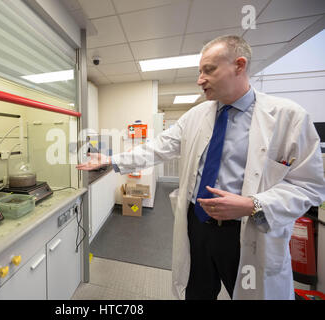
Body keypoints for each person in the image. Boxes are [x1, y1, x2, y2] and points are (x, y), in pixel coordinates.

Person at [76, 35, 325, 300]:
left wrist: (253, 204)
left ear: (239, 66)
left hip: (247, 229)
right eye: (199, 71)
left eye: (209, 70)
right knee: (198, 292)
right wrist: (112, 161)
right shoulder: (196, 116)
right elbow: (157, 148)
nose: (200, 79)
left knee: (253, 294)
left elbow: (310, 186)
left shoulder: (289, 116)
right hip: (198, 225)